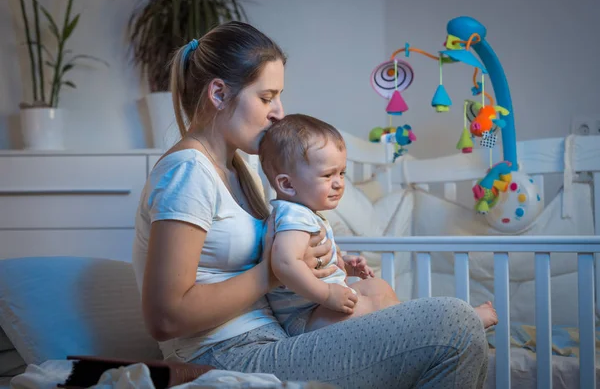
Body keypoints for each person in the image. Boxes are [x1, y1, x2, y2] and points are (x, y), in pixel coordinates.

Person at [131, 20, 490, 388]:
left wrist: (324, 263)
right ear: (219, 93)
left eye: (279, 97)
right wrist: (273, 272)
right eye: (266, 97)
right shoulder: (189, 172)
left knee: (402, 307)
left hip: (274, 337)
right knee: (454, 323)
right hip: (225, 355)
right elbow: (165, 318)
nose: (279, 112)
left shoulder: (241, 170)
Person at [259, 114, 401, 336]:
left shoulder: (304, 214)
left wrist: (342, 264)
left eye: (341, 173)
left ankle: (406, 331)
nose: (339, 183)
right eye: (327, 175)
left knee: (378, 288)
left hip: (316, 307)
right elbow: (285, 263)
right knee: (372, 309)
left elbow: (307, 263)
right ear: (287, 184)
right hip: (304, 316)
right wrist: (326, 294)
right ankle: (409, 334)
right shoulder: (294, 217)